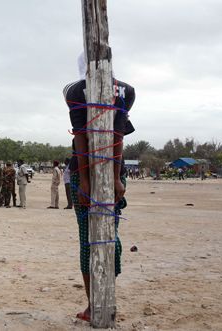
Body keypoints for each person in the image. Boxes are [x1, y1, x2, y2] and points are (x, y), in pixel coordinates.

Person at [64, 52, 135, 322]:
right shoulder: (120, 91)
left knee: (104, 241)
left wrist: (105, 179)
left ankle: (103, 300)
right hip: (94, 176)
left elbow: (115, 135)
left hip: (98, 176)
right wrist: (94, 179)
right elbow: (87, 135)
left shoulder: (78, 90)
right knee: (93, 241)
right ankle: (95, 303)